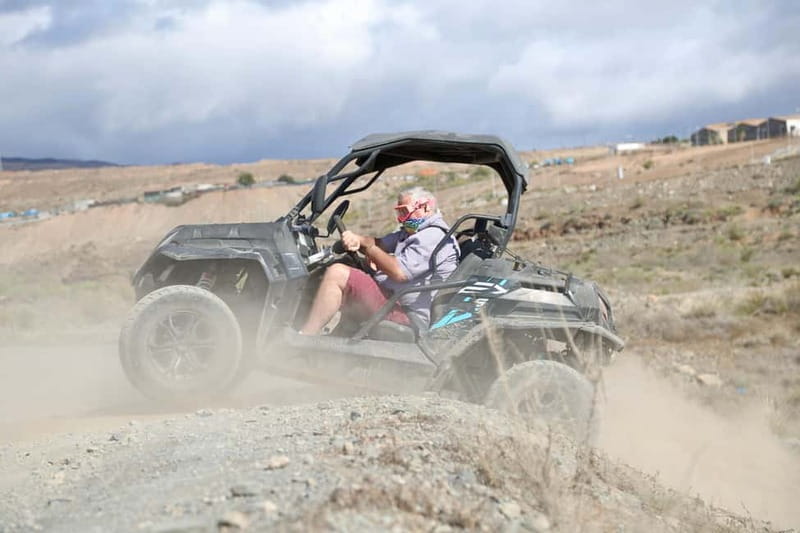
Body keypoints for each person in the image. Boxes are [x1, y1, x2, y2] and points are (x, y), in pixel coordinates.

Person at [300, 187, 459, 335]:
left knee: (338, 273)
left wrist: (371, 251)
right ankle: (336, 338)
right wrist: (357, 239)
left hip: (407, 312)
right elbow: (379, 243)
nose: (401, 219)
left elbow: (399, 272)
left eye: (404, 212)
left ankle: (304, 337)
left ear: (426, 207)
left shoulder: (433, 236)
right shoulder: (413, 232)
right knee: (348, 262)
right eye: (399, 212)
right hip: (395, 298)